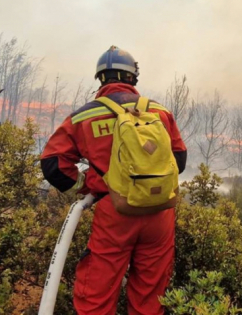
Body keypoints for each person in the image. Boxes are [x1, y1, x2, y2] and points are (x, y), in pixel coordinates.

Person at [41, 45, 187, 314]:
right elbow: (179, 161)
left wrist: (86, 184)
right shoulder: (160, 112)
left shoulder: (84, 116)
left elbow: (52, 165)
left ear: (101, 79)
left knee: (97, 294)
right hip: (160, 214)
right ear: (132, 78)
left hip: (115, 212)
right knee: (151, 297)